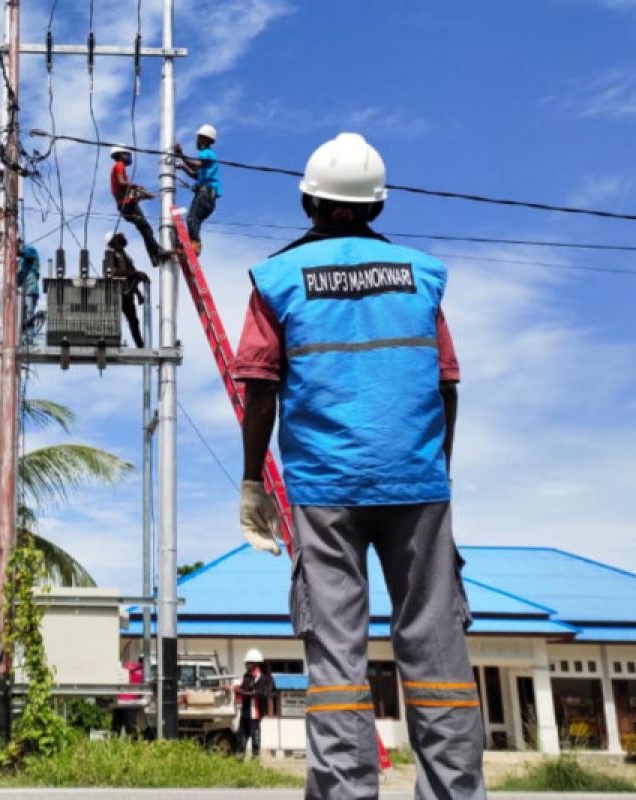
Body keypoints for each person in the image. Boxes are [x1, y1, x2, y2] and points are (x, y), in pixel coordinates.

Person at [235, 132, 482, 800]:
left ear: (308, 200)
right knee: (437, 649)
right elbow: (447, 385)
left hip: (324, 490)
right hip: (418, 484)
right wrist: (437, 472)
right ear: (376, 207)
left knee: (337, 654)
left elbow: (258, 386)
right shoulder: (420, 274)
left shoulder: (278, 277)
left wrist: (254, 479)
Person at [108, 145, 162, 265]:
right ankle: (157, 252)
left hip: (127, 206)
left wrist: (145, 195)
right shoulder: (119, 165)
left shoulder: (118, 169)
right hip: (127, 206)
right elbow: (122, 183)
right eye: (127, 154)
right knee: (145, 228)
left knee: (144, 229)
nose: (129, 157)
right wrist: (136, 186)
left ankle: (155, 257)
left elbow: (130, 195)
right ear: (121, 155)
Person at [172, 124, 221, 255]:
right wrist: (183, 167)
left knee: (192, 218)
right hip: (206, 194)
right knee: (192, 219)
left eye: (199, 138)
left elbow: (196, 165)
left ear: (205, 140)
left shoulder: (207, 153)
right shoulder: (206, 157)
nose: (197, 141)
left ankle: (195, 245)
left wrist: (181, 155)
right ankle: (192, 244)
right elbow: (195, 174)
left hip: (206, 194)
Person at [104, 232, 149, 348]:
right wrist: (135, 274)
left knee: (134, 321)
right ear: (113, 242)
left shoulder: (125, 256)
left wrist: (138, 292)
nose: (122, 238)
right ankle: (110, 343)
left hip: (127, 294)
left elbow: (132, 274)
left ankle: (140, 345)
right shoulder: (111, 255)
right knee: (113, 320)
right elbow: (112, 273)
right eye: (118, 238)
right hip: (116, 293)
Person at [235, 648, 274, 760]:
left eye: (249, 663)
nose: (246, 665)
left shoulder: (262, 678)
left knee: (255, 738)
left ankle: (255, 760)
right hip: (245, 711)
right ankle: (239, 759)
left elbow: (260, 694)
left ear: (256, 663)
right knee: (241, 736)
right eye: (246, 663)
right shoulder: (247, 676)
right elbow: (242, 691)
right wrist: (234, 690)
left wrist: (240, 691)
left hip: (255, 713)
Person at [17, 239, 41, 344]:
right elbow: (18, 278)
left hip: (31, 289)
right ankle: (24, 339)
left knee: (29, 314)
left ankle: (29, 340)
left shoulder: (30, 250)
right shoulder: (20, 263)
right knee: (22, 317)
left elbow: (27, 255)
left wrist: (14, 251)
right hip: (22, 292)